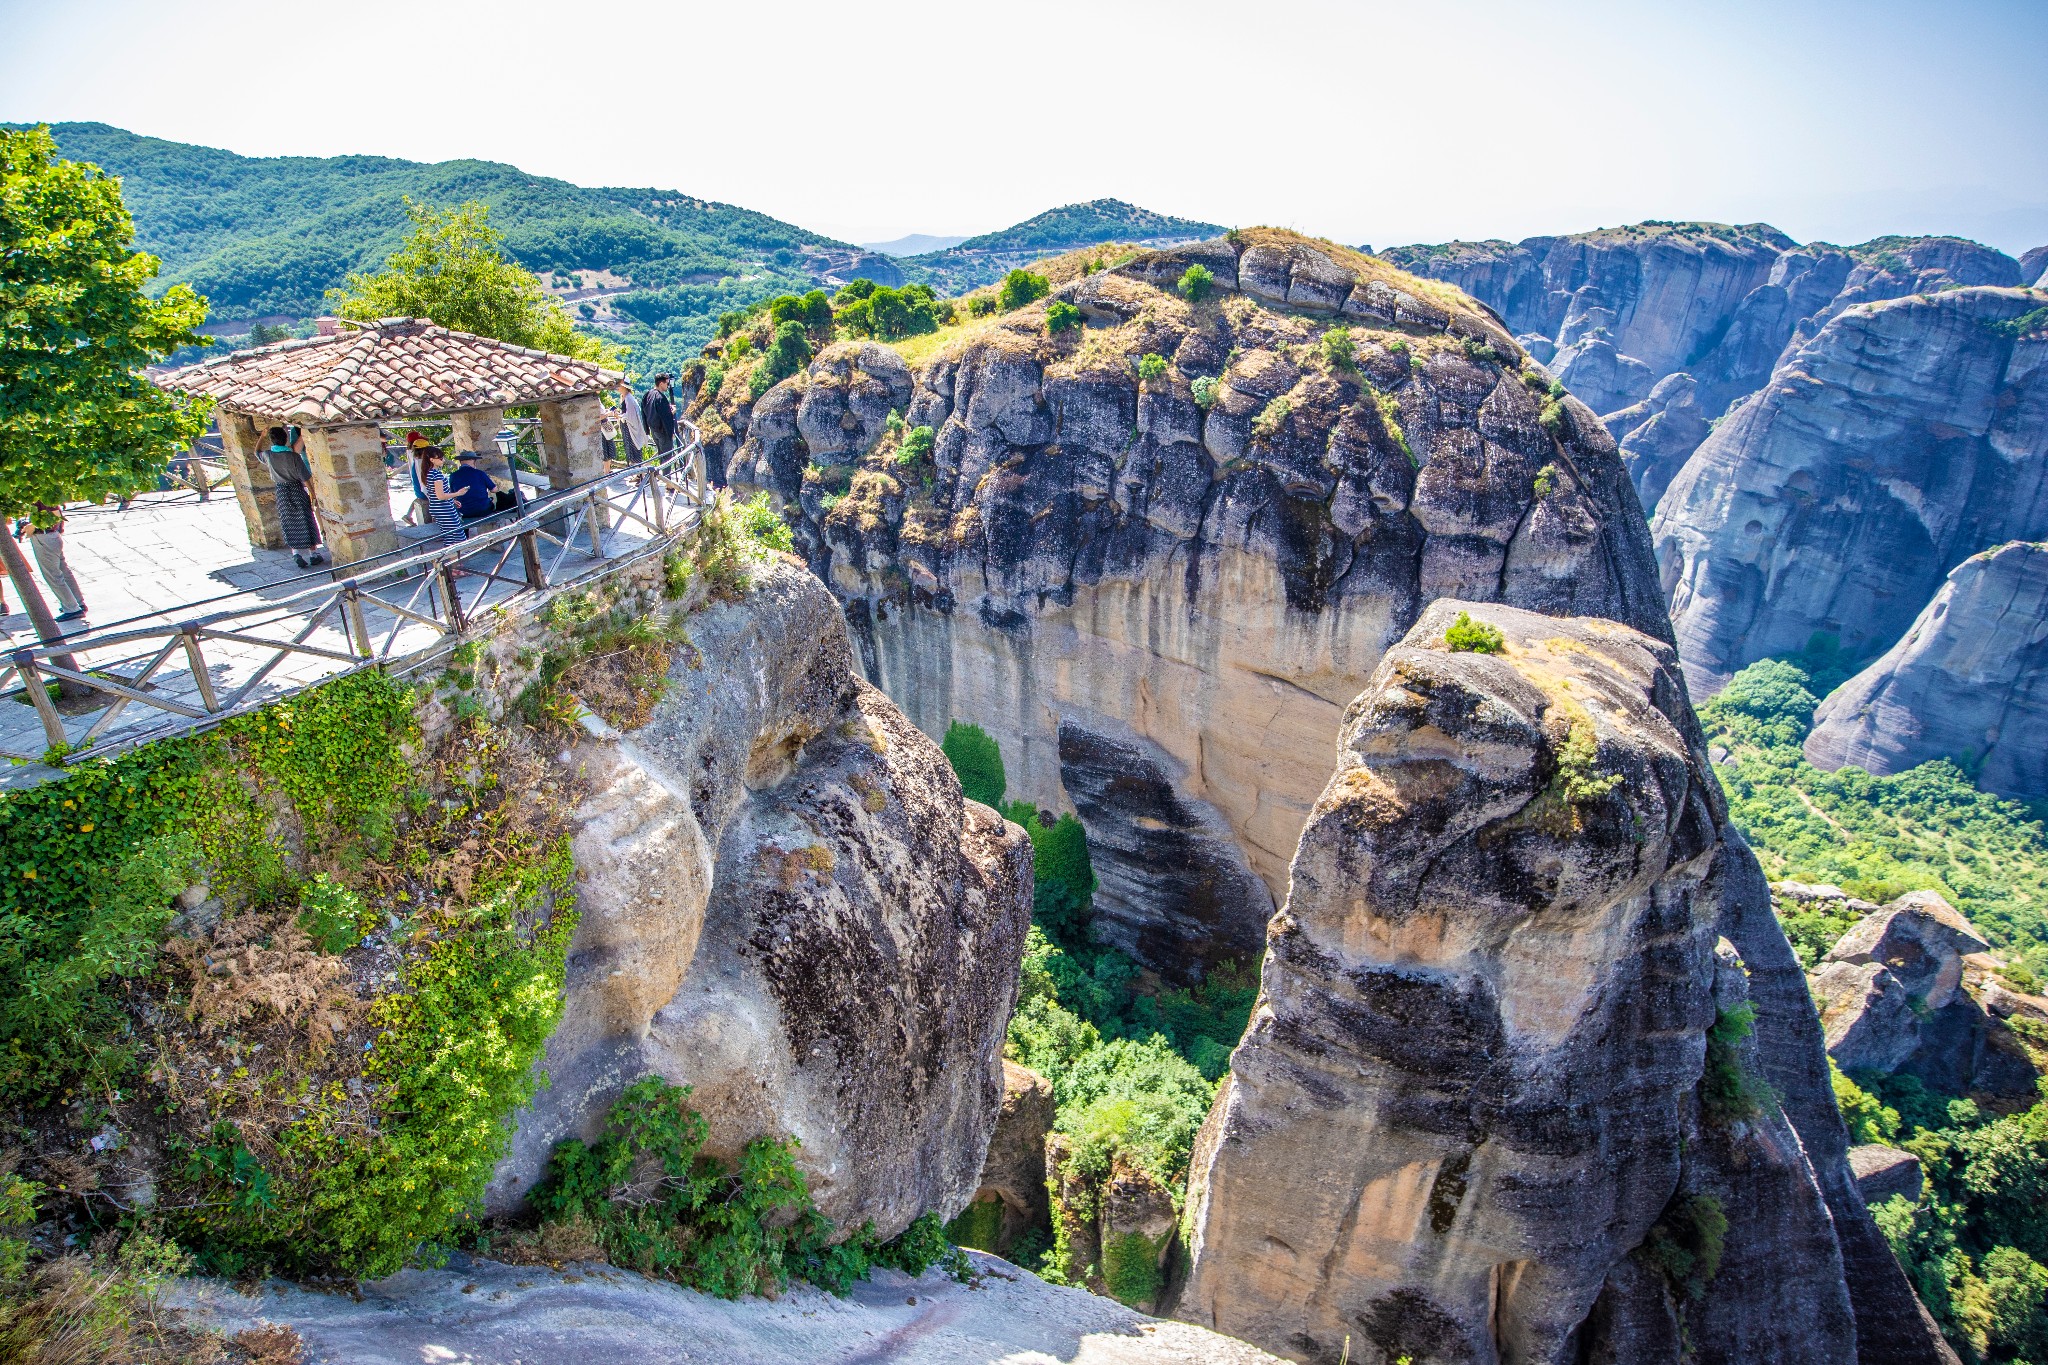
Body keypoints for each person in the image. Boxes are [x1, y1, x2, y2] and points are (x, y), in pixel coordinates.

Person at [265, 426, 327, 568]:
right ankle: (313, 554)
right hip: (296, 490)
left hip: (281, 492)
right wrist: (313, 494)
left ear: (272, 440)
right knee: (306, 520)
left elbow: (256, 452)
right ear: (286, 438)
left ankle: (296, 553)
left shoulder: (268, 455)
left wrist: (262, 437)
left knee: (289, 522)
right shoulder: (293, 457)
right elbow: (304, 477)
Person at [17, 504, 86, 621]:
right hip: (51, 535)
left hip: (44, 537)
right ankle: (78, 602)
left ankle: (72, 608)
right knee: (64, 572)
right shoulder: (44, 493)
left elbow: (56, 514)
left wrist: (32, 526)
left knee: (53, 576)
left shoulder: (40, 494)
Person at [414, 445, 466, 548]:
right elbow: (440, 496)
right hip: (444, 509)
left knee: (450, 536)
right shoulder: (436, 475)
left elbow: (434, 493)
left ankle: (454, 560)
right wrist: (457, 493)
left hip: (439, 508)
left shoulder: (429, 474)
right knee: (456, 536)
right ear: (432, 460)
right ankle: (454, 560)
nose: (443, 460)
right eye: (440, 458)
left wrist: (451, 500)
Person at [449, 451, 510, 520]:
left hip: (463, 512)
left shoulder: (453, 476)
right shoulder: (480, 473)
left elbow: (454, 495)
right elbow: (494, 490)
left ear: (460, 461)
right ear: (472, 460)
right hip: (483, 510)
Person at [640, 373, 678, 455]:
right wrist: (673, 411)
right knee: (667, 457)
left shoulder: (647, 395)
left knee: (661, 455)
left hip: (654, 431)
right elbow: (666, 418)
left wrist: (646, 430)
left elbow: (643, 413)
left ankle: (661, 468)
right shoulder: (661, 398)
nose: (668, 386)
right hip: (663, 432)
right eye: (667, 383)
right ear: (661, 383)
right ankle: (666, 468)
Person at [614, 377, 650, 461]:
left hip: (629, 427)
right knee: (629, 447)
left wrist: (619, 416)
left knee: (632, 448)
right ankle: (635, 468)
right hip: (626, 426)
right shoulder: (625, 397)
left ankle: (637, 469)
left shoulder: (628, 399)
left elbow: (630, 416)